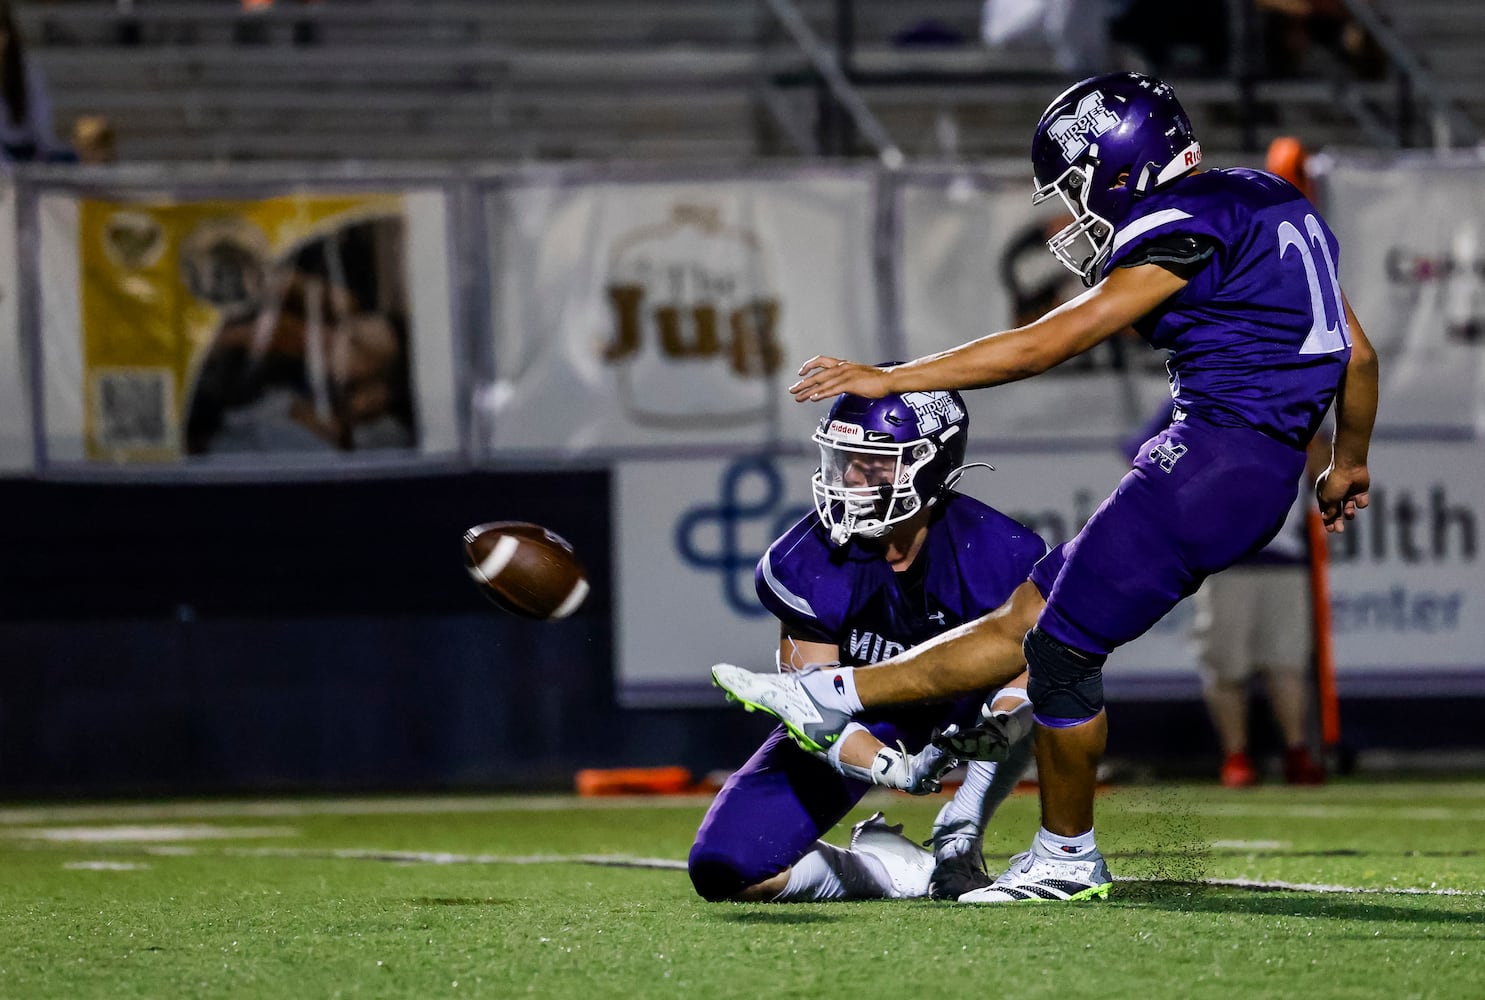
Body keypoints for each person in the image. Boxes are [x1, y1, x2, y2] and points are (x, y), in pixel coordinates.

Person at [711, 70, 1378, 903]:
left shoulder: (1183, 221)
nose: (1076, 208)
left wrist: (891, 377)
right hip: (1249, 466)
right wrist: (1346, 460)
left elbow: (1046, 343)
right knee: (1029, 616)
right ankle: (826, 693)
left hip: (1210, 460)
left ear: (1115, 161)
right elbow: (1356, 353)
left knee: (1060, 651)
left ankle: (1064, 856)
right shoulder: (1266, 197)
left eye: (1075, 182)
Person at [689, 389, 1048, 903]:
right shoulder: (806, 558)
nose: (852, 479)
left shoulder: (1001, 552)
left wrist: (968, 802)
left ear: (931, 465)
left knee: (1064, 666)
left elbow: (1028, 680)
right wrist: (895, 768)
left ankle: (1006, 846)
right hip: (864, 713)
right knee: (726, 868)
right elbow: (811, 703)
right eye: (843, 460)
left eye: (877, 462)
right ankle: (892, 872)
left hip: (971, 702)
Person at [1129, 405, 1328, 787]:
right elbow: (1143, 454)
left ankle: (1297, 751)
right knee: (1225, 661)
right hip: (1223, 554)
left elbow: (1322, 468)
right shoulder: (1197, 391)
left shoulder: (1299, 396)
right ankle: (1236, 756)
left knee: (1287, 660)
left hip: (1284, 553)